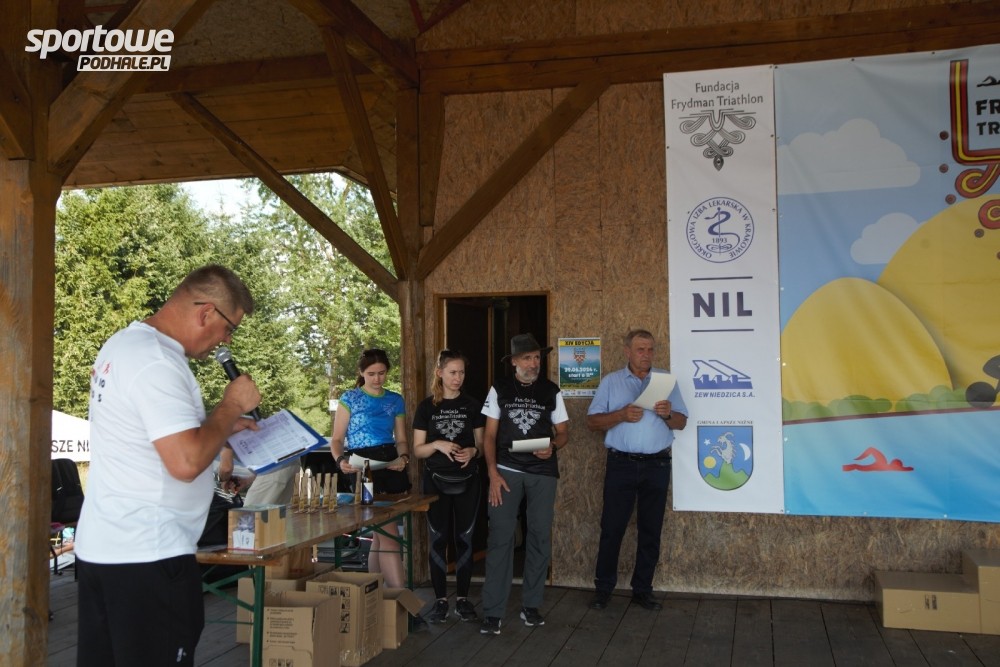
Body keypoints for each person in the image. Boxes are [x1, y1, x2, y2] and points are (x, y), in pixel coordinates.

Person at [75, 265, 261, 667]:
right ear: (206, 312)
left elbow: (154, 441)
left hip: (105, 549)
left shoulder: (124, 345)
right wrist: (231, 405)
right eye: (229, 328)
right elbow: (186, 462)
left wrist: (220, 429)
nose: (226, 340)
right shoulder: (157, 362)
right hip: (148, 555)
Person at [585, 329, 688, 611]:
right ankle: (603, 589)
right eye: (641, 349)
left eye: (651, 349)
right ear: (627, 352)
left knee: (650, 530)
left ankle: (642, 590)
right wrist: (621, 415)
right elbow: (592, 422)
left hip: (657, 465)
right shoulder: (612, 382)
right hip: (622, 464)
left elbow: (681, 423)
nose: (646, 355)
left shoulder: (666, 381)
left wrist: (668, 414)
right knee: (612, 528)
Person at [479, 333, 569, 635]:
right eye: (528, 358)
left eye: (537, 358)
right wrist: (492, 473)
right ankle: (493, 611)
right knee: (500, 538)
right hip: (506, 470)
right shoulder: (500, 388)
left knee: (540, 537)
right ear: (515, 361)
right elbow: (489, 435)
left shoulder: (551, 390)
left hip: (543, 472)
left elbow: (564, 433)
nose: (534, 363)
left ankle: (531, 605)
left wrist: (553, 446)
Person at [413, 350, 485, 623]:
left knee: (464, 539)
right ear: (440, 373)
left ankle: (463, 599)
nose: (458, 378)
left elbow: (481, 445)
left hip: (468, 480)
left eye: (462, 372)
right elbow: (418, 450)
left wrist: (473, 452)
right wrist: (437, 444)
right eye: (453, 372)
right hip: (435, 481)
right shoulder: (427, 407)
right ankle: (441, 600)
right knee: (438, 539)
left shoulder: (473, 405)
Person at [331, 348, 411, 588]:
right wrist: (340, 461)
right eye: (371, 374)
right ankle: (399, 597)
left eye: (382, 373)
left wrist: (404, 457)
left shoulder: (395, 399)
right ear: (361, 373)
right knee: (390, 537)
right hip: (361, 465)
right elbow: (337, 439)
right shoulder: (349, 398)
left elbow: (401, 439)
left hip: (390, 463)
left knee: (380, 535)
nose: (377, 379)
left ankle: (375, 595)